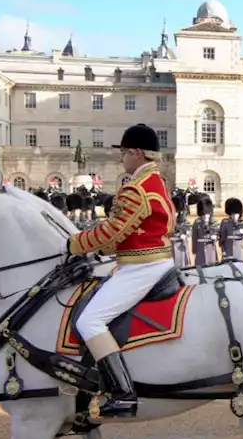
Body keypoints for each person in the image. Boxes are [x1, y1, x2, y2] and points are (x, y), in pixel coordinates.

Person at [65, 123, 175, 418]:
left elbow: (113, 229)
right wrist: (105, 250)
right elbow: (129, 233)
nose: (121, 157)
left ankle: (123, 391)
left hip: (142, 267)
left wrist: (73, 244)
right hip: (145, 259)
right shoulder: (155, 181)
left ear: (137, 152)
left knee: (90, 321)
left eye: (125, 152)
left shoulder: (137, 188)